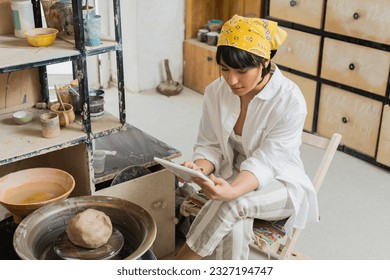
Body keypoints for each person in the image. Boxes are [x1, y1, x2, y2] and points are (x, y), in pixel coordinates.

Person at [175, 14, 319, 260]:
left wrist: (231, 191)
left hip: (281, 184)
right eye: (224, 68)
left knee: (233, 204)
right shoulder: (216, 92)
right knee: (234, 223)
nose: (232, 80)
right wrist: (197, 168)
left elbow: (267, 163)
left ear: (264, 61)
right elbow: (210, 145)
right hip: (232, 177)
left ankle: (178, 265)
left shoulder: (289, 101)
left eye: (242, 71)